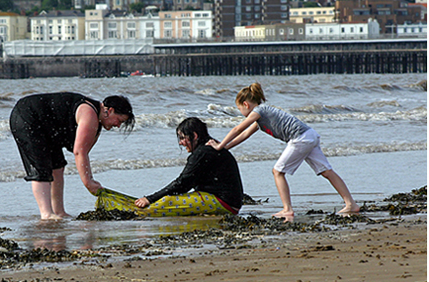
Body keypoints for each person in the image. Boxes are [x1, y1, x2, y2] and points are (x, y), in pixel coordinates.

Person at [207, 82, 359, 220]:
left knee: (277, 171)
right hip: (309, 135)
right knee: (327, 171)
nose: (240, 111)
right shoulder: (261, 116)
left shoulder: (259, 110)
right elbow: (244, 135)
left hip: (300, 138)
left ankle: (287, 209)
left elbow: (237, 128)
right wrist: (224, 147)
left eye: (239, 108)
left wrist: (219, 146)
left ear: (245, 104)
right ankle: (351, 204)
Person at [10, 92, 135, 220]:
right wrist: (88, 182)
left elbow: (83, 152)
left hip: (48, 127)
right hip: (27, 116)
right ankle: (46, 213)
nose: (118, 125)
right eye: (119, 120)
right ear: (110, 110)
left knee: (57, 167)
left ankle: (58, 211)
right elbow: (79, 152)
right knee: (41, 168)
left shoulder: (97, 122)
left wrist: (90, 178)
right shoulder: (89, 113)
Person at [134, 117, 244, 215]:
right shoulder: (210, 146)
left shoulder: (203, 153)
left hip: (225, 203)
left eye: (182, 138)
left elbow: (182, 183)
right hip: (228, 200)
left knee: (166, 202)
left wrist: (150, 199)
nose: (181, 143)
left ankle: (140, 212)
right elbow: (185, 183)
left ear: (194, 136)